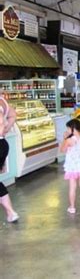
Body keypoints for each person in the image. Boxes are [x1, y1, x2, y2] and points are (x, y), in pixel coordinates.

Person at [60, 119, 80, 214]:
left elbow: (62, 150)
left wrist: (64, 139)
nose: (67, 130)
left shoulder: (69, 140)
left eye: (68, 128)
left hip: (72, 166)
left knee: (72, 186)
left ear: (73, 129)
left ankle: (72, 207)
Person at [0, 95, 18, 223]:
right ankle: (10, 212)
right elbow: (13, 115)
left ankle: (11, 212)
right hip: (3, 144)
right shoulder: (3, 101)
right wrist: (5, 129)